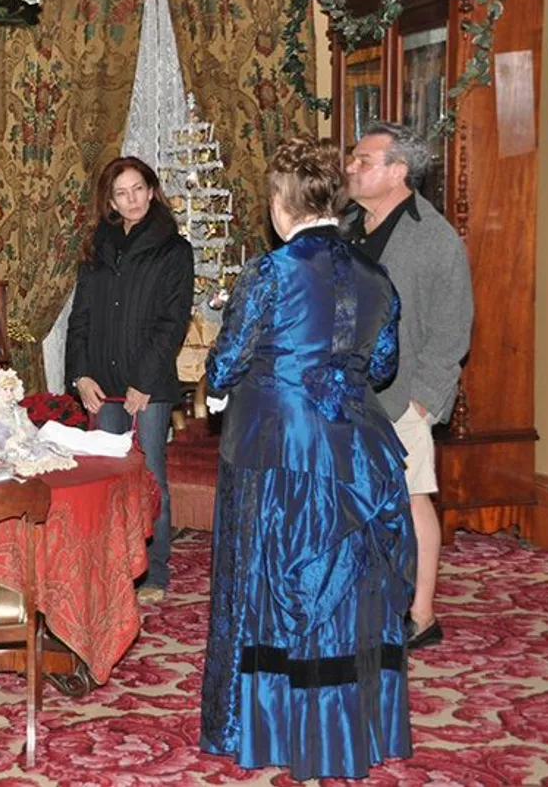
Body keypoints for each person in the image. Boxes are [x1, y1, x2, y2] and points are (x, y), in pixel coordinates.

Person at [199, 137, 416, 781]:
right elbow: (381, 366)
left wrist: (234, 360)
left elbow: (225, 362)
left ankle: (270, 728)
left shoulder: (268, 273)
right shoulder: (376, 275)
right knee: (347, 590)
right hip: (358, 451)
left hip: (278, 451)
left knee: (273, 586)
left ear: (281, 203)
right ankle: (353, 730)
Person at [345, 122, 473, 650]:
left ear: (398, 171)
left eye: (364, 160)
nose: (352, 167)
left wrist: (426, 398)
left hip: (403, 396)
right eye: (353, 159)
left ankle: (421, 615)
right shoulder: (349, 224)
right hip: (349, 390)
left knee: (413, 497)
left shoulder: (434, 236)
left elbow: (453, 324)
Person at [65, 156, 194, 604]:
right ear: (111, 201)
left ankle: (155, 571)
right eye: (122, 193)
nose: (132, 199)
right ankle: (112, 565)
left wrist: (144, 382)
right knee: (106, 477)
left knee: (149, 475)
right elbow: (80, 317)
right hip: (100, 382)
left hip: (148, 384)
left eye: (138, 189)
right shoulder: (96, 248)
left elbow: (171, 323)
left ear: (152, 190)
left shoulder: (174, 250)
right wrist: (79, 376)